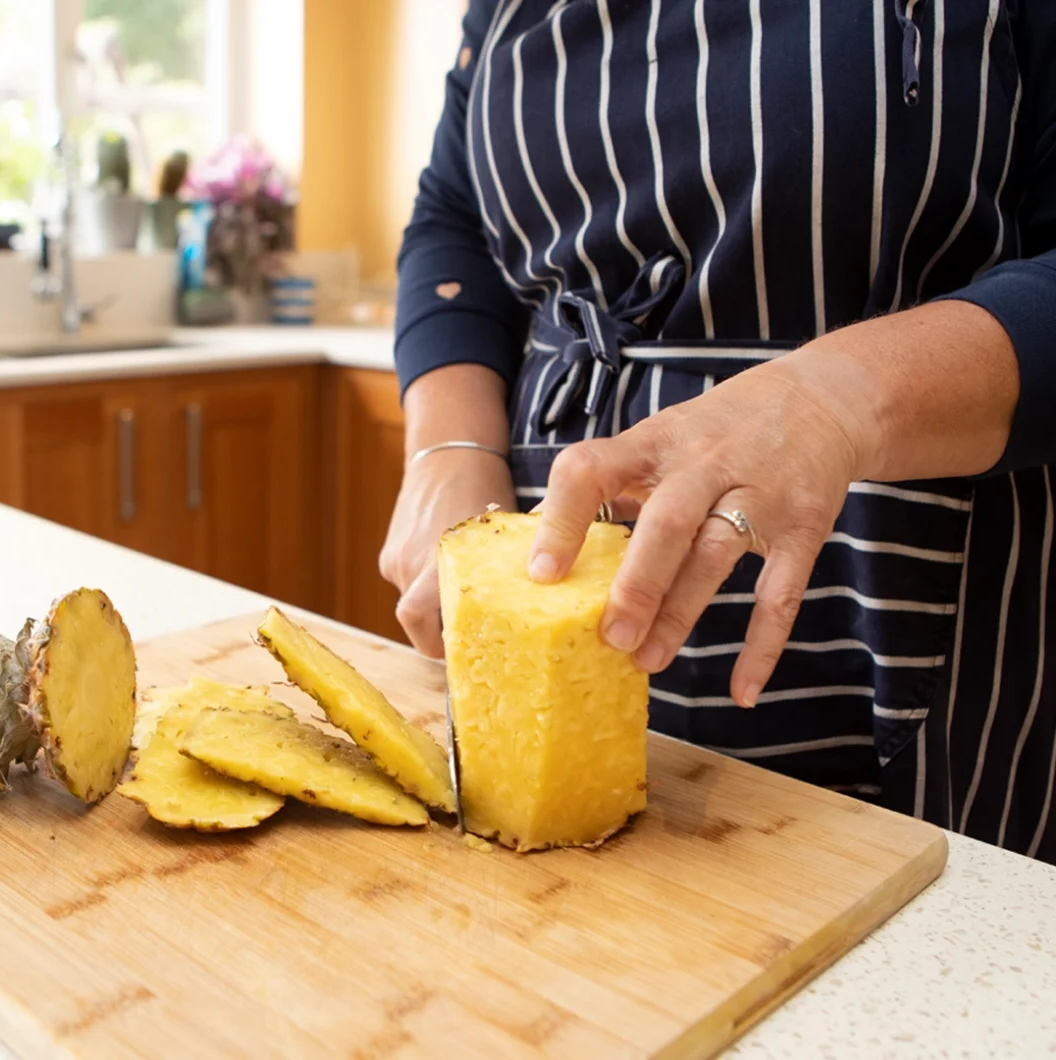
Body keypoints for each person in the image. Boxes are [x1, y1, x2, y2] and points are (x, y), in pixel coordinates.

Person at [385, 0, 1053, 863]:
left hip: (911, 599)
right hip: (551, 545)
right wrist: (449, 443)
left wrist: (835, 402)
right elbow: (453, 218)